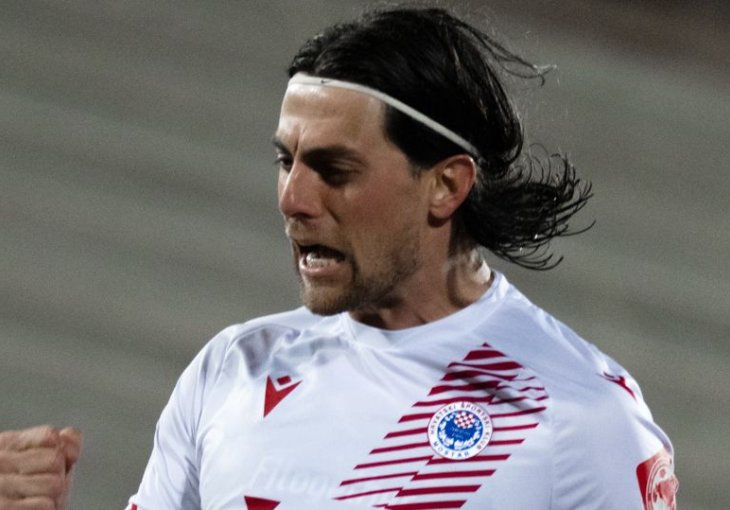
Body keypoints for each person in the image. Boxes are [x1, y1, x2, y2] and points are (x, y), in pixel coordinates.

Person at [1, 5, 677, 510]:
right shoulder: (231, 370)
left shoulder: (579, 417)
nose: (293, 199)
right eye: (286, 161)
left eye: (334, 170)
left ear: (446, 185)